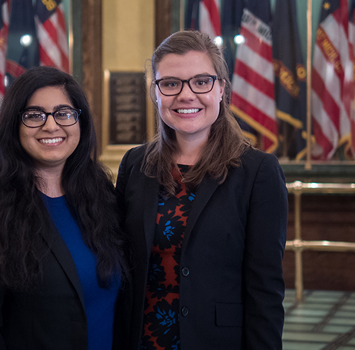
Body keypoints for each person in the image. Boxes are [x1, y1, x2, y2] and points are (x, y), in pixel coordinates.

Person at [116, 31, 288, 350]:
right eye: (170, 83)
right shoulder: (134, 164)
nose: (186, 95)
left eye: (201, 81)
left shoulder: (258, 172)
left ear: (221, 89)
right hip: (141, 340)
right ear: (155, 92)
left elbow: (265, 291)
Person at [0, 66, 128, 350]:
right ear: (14, 127)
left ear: (81, 122)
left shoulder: (102, 196)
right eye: (34, 115)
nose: (51, 126)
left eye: (64, 113)